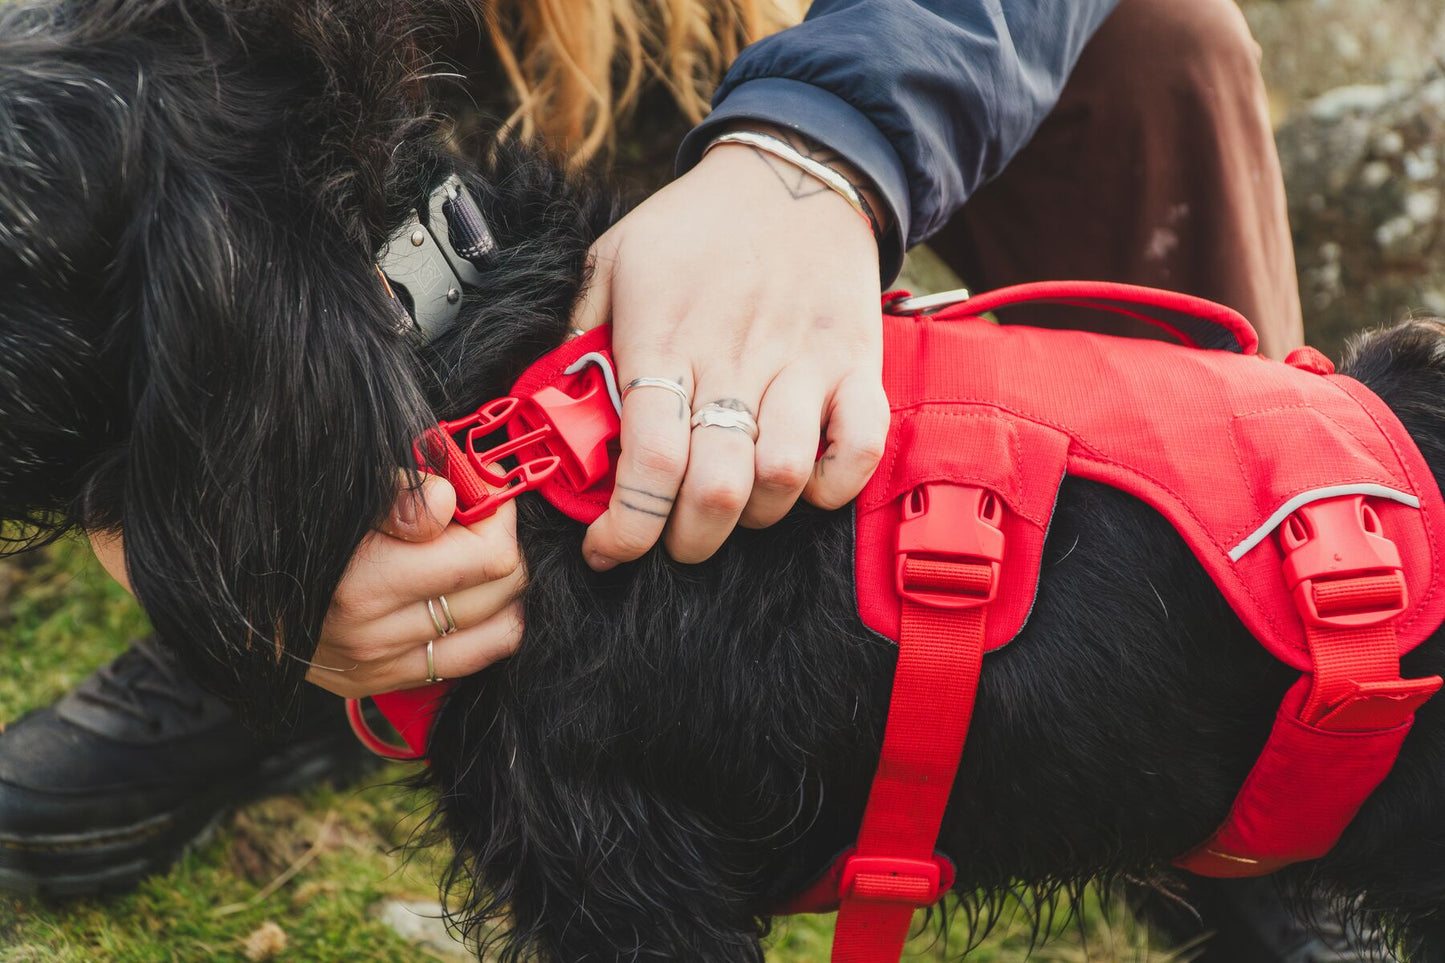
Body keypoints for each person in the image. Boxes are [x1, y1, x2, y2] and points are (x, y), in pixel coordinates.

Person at [3, 0, 1349, 958]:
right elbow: (90, 94)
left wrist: (820, 150)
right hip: (430, 158)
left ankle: (1241, 655)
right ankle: (326, 599)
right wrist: (168, 529)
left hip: (766, 59)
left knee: (1161, 40)